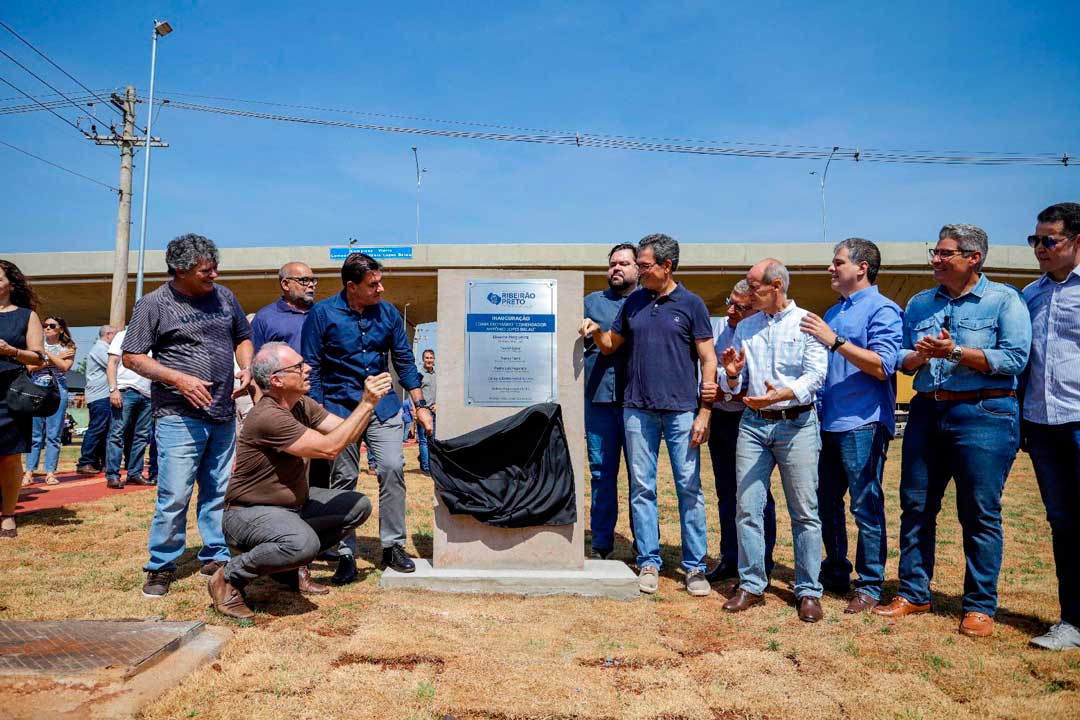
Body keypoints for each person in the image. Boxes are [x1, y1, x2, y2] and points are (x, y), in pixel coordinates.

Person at [874, 224, 1030, 639]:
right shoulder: (921, 302)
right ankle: (913, 592)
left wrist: (956, 352)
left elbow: (1015, 358)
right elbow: (902, 356)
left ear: (973, 257)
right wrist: (917, 357)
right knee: (916, 506)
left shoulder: (1004, 300)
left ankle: (979, 606)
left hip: (984, 414)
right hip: (928, 411)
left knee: (979, 513)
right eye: (935, 252)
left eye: (945, 253)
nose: (936, 260)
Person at [209, 343, 392, 619]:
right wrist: (366, 402)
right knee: (302, 544)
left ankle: (285, 568)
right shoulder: (269, 416)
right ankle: (228, 577)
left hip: (292, 508)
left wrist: (370, 405)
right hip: (247, 514)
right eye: (297, 367)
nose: (307, 369)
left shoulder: (301, 405)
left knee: (357, 506)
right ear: (276, 380)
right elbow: (329, 448)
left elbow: (344, 431)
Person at [581, 233, 717, 597]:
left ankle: (694, 567)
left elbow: (708, 360)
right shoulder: (635, 303)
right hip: (636, 411)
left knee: (689, 488)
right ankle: (649, 561)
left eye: (644, 266)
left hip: (681, 412)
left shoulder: (691, 304)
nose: (639, 272)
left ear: (666, 266)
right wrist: (595, 333)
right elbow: (611, 346)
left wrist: (704, 412)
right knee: (642, 488)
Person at [122, 233, 254, 598]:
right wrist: (178, 378)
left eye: (215, 268)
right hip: (177, 415)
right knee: (175, 494)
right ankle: (161, 564)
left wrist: (246, 367)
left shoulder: (225, 297)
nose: (213, 275)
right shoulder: (154, 304)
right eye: (205, 270)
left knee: (218, 490)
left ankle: (215, 552)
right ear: (180, 270)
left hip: (222, 413)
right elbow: (132, 356)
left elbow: (243, 336)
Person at [301, 252, 432, 584]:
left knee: (392, 468)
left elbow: (403, 359)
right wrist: (318, 414)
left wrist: (420, 405)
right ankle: (345, 553)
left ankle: (392, 546)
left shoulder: (387, 314)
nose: (381, 289)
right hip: (339, 410)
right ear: (351, 286)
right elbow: (311, 366)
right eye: (373, 284)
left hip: (383, 408)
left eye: (380, 281)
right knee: (344, 480)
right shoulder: (322, 314)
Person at [720, 259, 828, 622]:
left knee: (805, 511)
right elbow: (733, 381)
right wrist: (733, 376)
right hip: (753, 425)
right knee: (747, 507)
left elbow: (816, 376)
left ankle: (808, 590)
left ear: (776, 285)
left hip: (796, 425)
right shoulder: (746, 327)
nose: (748, 293)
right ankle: (751, 584)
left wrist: (780, 395)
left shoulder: (807, 322)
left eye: (754, 287)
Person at [800, 238, 903, 613]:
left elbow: (882, 365)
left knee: (865, 505)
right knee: (826, 503)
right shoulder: (832, 312)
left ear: (862, 267)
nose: (831, 268)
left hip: (864, 422)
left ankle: (871, 584)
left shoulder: (884, 309)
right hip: (827, 424)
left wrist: (835, 340)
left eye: (837, 262)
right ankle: (835, 570)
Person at [1022, 202, 1080, 650]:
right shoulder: (1030, 295)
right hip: (1043, 425)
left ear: (1077, 242)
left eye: (1049, 240)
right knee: (1062, 522)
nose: (1040, 248)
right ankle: (1071, 622)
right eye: (1035, 240)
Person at [705, 279, 777, 583]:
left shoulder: (762, 333)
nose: (731, 310)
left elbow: (752, 385)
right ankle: (730, 558)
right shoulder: (716, 328)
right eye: (730, 303)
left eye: (740, 306)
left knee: (756, 494)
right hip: (721, 421)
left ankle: (762, 561)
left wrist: (725, 389)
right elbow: (707, 380)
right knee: (726, 493)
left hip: (750, 421)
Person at [581, 243, 639, 560]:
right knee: (602, 474)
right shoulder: (590, 303)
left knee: (640, 475)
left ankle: (644, 544)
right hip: (598, 401)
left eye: (624, 263)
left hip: (637, 403)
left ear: (638, 269)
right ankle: (602, 543)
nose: (616, 268)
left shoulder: (648, 303)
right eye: (612, 263)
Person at [0, 260, 44, 538]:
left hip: (9, 392)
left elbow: (38, 357)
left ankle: (8, 514)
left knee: (9, 458)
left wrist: (10, 351)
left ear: (10, 284)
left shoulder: (26, 316)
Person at [22, 315, 76, 486]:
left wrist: (46, 356)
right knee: (35, 434)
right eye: (44, 325)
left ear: (60, 328)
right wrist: (54, 357)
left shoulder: (69, 346)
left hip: (58, 388)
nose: (47, 328)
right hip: (36, 387)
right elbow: (30, 368)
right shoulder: (35, 345)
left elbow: (65, 367)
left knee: (54, 434)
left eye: (52, 325)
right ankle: (29, 471)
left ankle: (50, 472)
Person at [104, 328, 155, 489]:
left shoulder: (155, 337)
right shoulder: (123, 335)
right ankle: (112, 474)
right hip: (126, 390)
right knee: (117, 434)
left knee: (141, 437)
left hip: (147, 394)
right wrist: (113, 389)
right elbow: (112, 363)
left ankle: (135, 473)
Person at [76, 324, 117, 474]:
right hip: (100, 395)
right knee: (97, 428)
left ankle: (100, 461)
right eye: (115, 335)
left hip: (102, 394)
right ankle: (86, 461)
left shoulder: (102, 348)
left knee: (104, 429)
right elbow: (114, 366)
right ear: (108, 335)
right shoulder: (101, 349)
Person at [250, 262, 317, 354]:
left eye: (313, 280)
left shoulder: (322, 313)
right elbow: (255, 357)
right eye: (304, 280)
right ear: (285, 284)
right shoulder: (264, 318)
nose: (311, 285)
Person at [417, 348, 437, 476]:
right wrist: (416, 410)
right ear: (423, 359)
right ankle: (426, 467)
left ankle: (426, 460)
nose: (429, 360)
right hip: (424, 411)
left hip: (435, 411)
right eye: (427, 358)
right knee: (424, 440)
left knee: (433, 440)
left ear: (434, 359)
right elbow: (414, 392)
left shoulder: (437, 374)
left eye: (431, 358)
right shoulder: (419, 374)